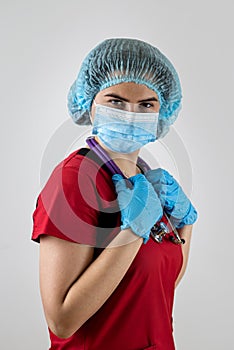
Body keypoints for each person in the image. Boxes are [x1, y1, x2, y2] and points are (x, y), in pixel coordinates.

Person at [32, 38, 198, 350]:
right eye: (116, 101)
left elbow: (161, 286)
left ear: (163, 111)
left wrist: (185, 223)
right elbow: (62, 321)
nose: (132, 114)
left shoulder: (148, 182)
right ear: (90, 103)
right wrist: (132, 233)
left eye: (147, 104)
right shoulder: (73, 181)